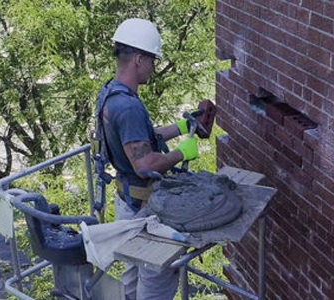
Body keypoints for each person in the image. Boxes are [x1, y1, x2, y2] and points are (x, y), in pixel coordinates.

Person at [93, 18, 216, 300]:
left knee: (132, 276)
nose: (154, 66)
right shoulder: (128, 106)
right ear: (138, 59)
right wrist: (181, 153)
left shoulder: (112, 93)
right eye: (152, 60)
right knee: (156, 279)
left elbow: (138, 140)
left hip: (127, 200)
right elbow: (145, 164)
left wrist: (183, 127)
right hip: (143, 208)